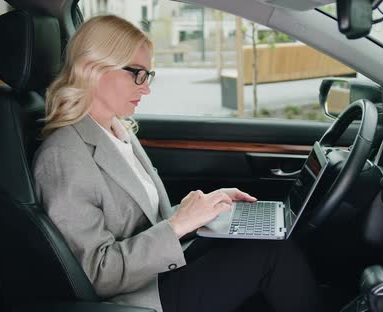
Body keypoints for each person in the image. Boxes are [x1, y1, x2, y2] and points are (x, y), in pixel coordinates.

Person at [33, 15, 321, 312]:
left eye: (149, 76)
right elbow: (96, 275)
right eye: (137, 74)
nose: (146, 89)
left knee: (264, 237)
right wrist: (178, 224)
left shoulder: (117, 130)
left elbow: (144, 224)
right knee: (273, 252)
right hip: (136, 298)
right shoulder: (63, 156)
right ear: (94, 69)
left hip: (157, 270)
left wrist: (201, 210)